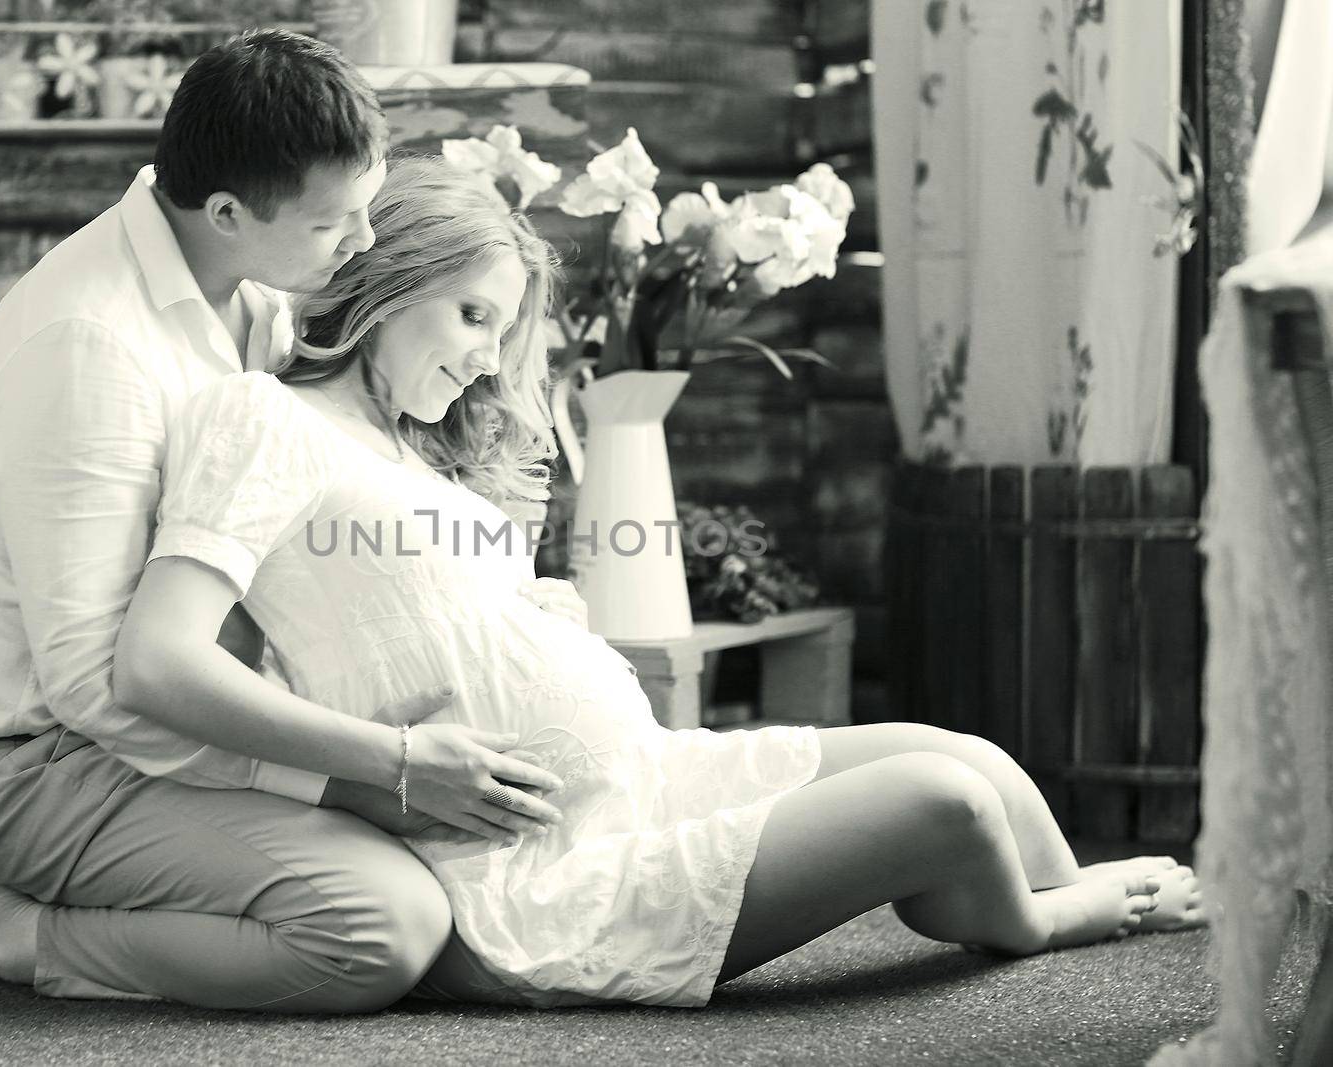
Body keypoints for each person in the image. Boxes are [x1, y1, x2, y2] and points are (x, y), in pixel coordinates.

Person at [103, 154, 1207, 1008]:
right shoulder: (263, 418)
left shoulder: (410, 451)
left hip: (641, 780)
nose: (489, 357)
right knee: (945, 802)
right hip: (539, 866)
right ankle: (1040, 923)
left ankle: (1033, 897)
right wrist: (394, 760)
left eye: (504, 330)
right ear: (385, 282)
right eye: (473, 316)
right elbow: (159, 662)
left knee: (977, 762)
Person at [0, 30, 567, 1012]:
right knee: (382, 925)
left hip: (153, 728)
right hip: (35, 761)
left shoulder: (255, 296)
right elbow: (93, 686)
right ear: (230, 211)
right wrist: (365, 776)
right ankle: (14, 923)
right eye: (339, 226)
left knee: (476, 833)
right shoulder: (90, 349)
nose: (366, 244)